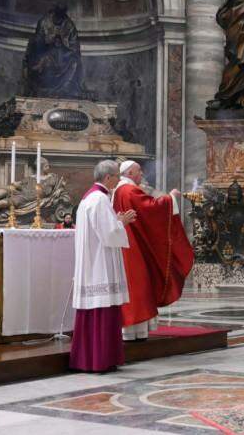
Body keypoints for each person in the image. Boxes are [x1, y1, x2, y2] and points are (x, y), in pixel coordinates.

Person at [112, 160, 194, 341]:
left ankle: (134, 330)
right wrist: (170, 198)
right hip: (132, 247)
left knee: (138, 285)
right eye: (139, 171)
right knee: (138, 285)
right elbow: (150, 208)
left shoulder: (120, 190)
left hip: (129, 242)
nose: (142, 174)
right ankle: (134, 330)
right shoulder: (129, 190)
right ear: (130, 173)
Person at [70, 160, 136, 373]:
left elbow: (101, 228)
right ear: (107, 178)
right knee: (102, 310)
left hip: (93, 261)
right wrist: (121, 224)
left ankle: (92, 359)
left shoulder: (89, 197)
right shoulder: (99, 199)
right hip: (99, 265)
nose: (119, 179)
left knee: (96, 310)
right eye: (117, 176)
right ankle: (101, 359)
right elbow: (109, 234)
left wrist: (114, 222)